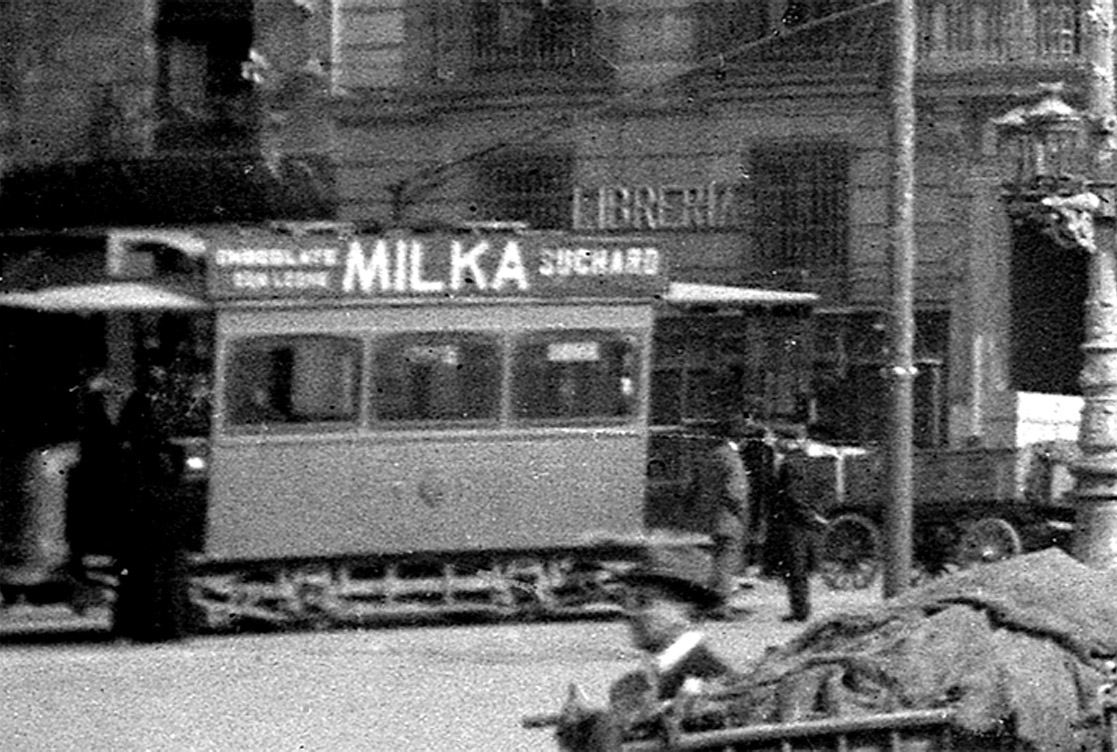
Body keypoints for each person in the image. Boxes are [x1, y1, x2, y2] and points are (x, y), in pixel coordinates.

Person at [554, 544, 740, 752]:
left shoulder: (711, 678)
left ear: (687, 610)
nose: (630, 613)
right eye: (625, 600)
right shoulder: (641, 680)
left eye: (643, 601)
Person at [113, 361, 192, 642]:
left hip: (147, 527)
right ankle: (165, 627)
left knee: (142, 579)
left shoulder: (138, 407)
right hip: (163, 531)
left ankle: (143, 627)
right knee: (164, 579)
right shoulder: (153, 410)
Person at [764, 438, 828, 622]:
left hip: (794, 524)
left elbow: (793, 496)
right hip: (805, 522)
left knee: (796, 570)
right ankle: (801, 609)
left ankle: (800, 611)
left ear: (788, 442)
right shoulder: (808, 461)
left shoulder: (789, 464)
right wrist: (817, 514)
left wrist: (808, 515)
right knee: (800, 569)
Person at [693, 416, 751, 615]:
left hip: (712, 517)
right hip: (730, 519)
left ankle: (711, 602)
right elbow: (736, 493)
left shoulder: (714, 455)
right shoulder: (732, 459)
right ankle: (720, 605)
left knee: (717, 562)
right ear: (740, 438)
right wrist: (744, 516)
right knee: (727, 563)